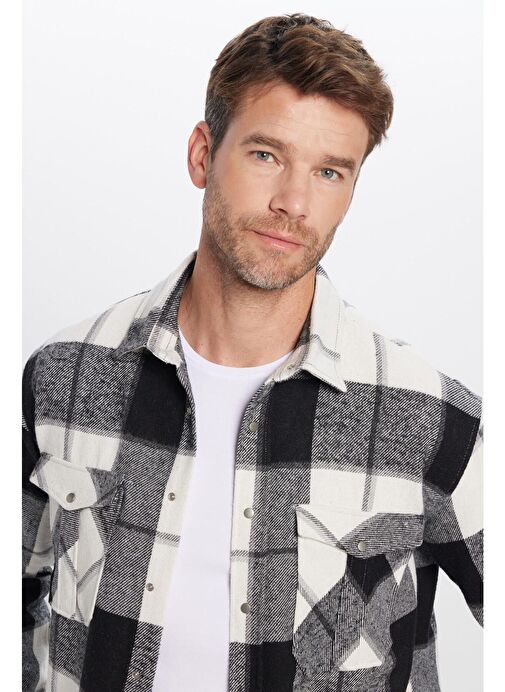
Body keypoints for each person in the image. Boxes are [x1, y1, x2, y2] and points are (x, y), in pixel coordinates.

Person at [22, 12, 483, 692]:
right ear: (202, 154)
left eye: (329, 172)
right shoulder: (63, 377)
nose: (294, 202)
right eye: (266, 155)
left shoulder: (429, 418)